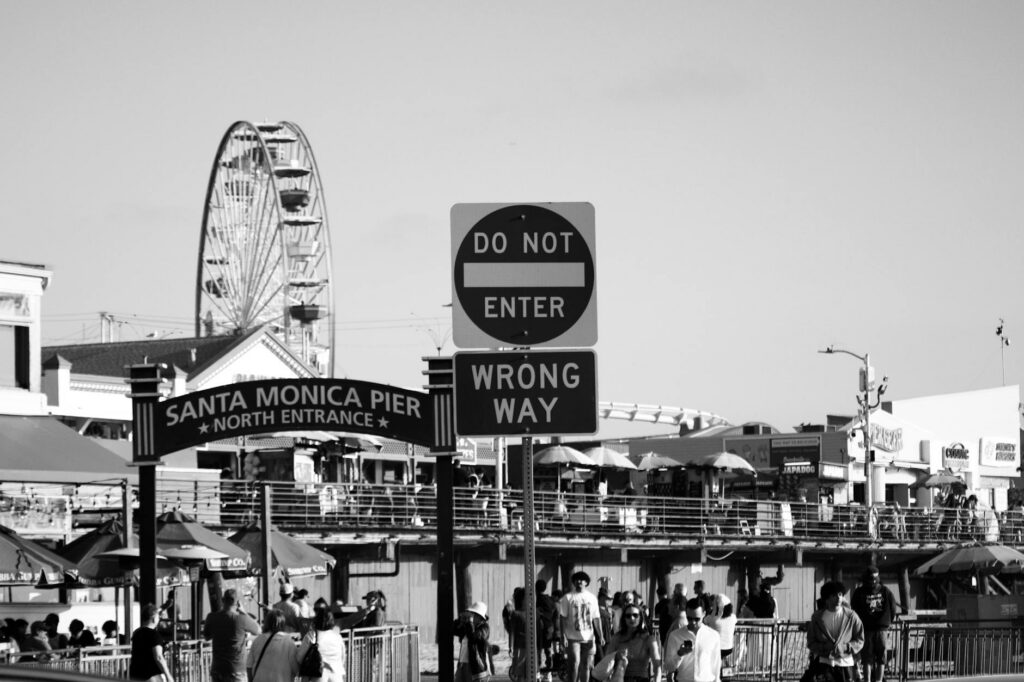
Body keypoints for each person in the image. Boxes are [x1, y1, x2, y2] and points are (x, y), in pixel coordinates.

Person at [807, 581, 864, 682]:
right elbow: (811, 642)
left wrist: (846, 647)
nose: (838, 598)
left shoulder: (851, 616)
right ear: (827, 598)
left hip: (845, 663)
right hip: (824, 663)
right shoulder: (817, 618)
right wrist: (824, 647)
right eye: (834, 595)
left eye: (840, 594)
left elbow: (860, 639)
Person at [850, 567, 897, 682]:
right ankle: (877, 680)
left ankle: (870, 680)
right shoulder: (885, 591)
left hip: (868, 628)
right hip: (878, 628)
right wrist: (887, 623)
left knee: (868, 658)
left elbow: (854, 609)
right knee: (878, 657)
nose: (872, 581)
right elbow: (893, 609)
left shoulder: (859, 592)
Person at [202, 588, 260, 682]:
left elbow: (206, 636)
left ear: (222, 600)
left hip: (218, 669)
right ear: (237, 603)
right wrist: (243, 612)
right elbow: (258, 630)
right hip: (236, 670)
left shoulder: (211, 617)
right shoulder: (241, 619)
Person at [559, 570, 604, 682]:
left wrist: (601, 635)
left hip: (588, 637)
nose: (579, 581)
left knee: (587, 665)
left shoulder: (592, 598)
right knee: (574, 663)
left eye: (582, 579)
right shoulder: (567, 597)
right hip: (572, 637)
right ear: (573, 582)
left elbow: (596, 618)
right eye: (577, 579)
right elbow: (562, 618)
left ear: (586, 582)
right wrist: (562, 635)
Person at [664, 599, 721, 682]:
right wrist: (679, 654)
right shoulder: (675, 635)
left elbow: (716, 665)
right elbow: (668, 667)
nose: (693, 622)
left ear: (704, 614)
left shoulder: (713, 635)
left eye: (697, 619)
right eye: (689, 618)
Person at [604, 602, 663, 682]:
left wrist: (657, 680)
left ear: (640, 617)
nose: (632, 618)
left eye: (635, 615)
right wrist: (616, 656)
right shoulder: (617, 638)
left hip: (641, 678)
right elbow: (606, 663)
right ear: (624, 619)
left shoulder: (649, 639)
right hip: (620, 678)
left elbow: (657, 665)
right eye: (628, 616)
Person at [246, 610, 299, 682]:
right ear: (283, 624)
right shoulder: (289, 642)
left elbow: (249, 666)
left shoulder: (257, 640)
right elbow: (296, 668)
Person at [300, 605, 346, 682]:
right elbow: (343, 658)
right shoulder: (337, 636)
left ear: (316, 620)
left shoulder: (311, 635)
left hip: (317, 676)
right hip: (336, 676)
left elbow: (299, 657)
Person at [129, 603, 173, 682]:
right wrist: (168, 676)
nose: (159, 618)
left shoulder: (136, 632)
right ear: (153, 618)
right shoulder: (154, 635)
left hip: (135, 675)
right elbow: (159, 657)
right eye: (158, 616)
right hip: (151, 676)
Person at [454, 601, 495, 682]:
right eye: (471, 613)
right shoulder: (469, 626)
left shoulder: (484, 627)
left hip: (475, 665)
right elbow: (454, 631)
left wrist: (469, 624)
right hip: (462, 664)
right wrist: (459, 621)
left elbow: (473, 638)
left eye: (474, 614)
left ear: (480, 617)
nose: (472, 616)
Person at [702, 595, 737, 667]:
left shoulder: (712, 618)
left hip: (715, 648)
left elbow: (704, 622)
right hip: (729, 647)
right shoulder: (733, 617)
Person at [536, 579, 559, 673]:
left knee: (538, 648)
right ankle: (549, 665)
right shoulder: (550, 599)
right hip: (550, 626)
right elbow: (554, 612)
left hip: (540, 626)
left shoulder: (537, 599)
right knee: (547, 647)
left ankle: (538, 666)